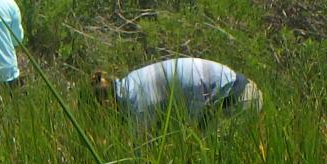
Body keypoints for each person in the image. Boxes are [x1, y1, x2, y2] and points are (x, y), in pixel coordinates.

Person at [92, 57, 263, 123]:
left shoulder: (139, 105)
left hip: (238, 99)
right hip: (234, 92)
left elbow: (142, 161)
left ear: (105, 104)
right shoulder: (131, 81)